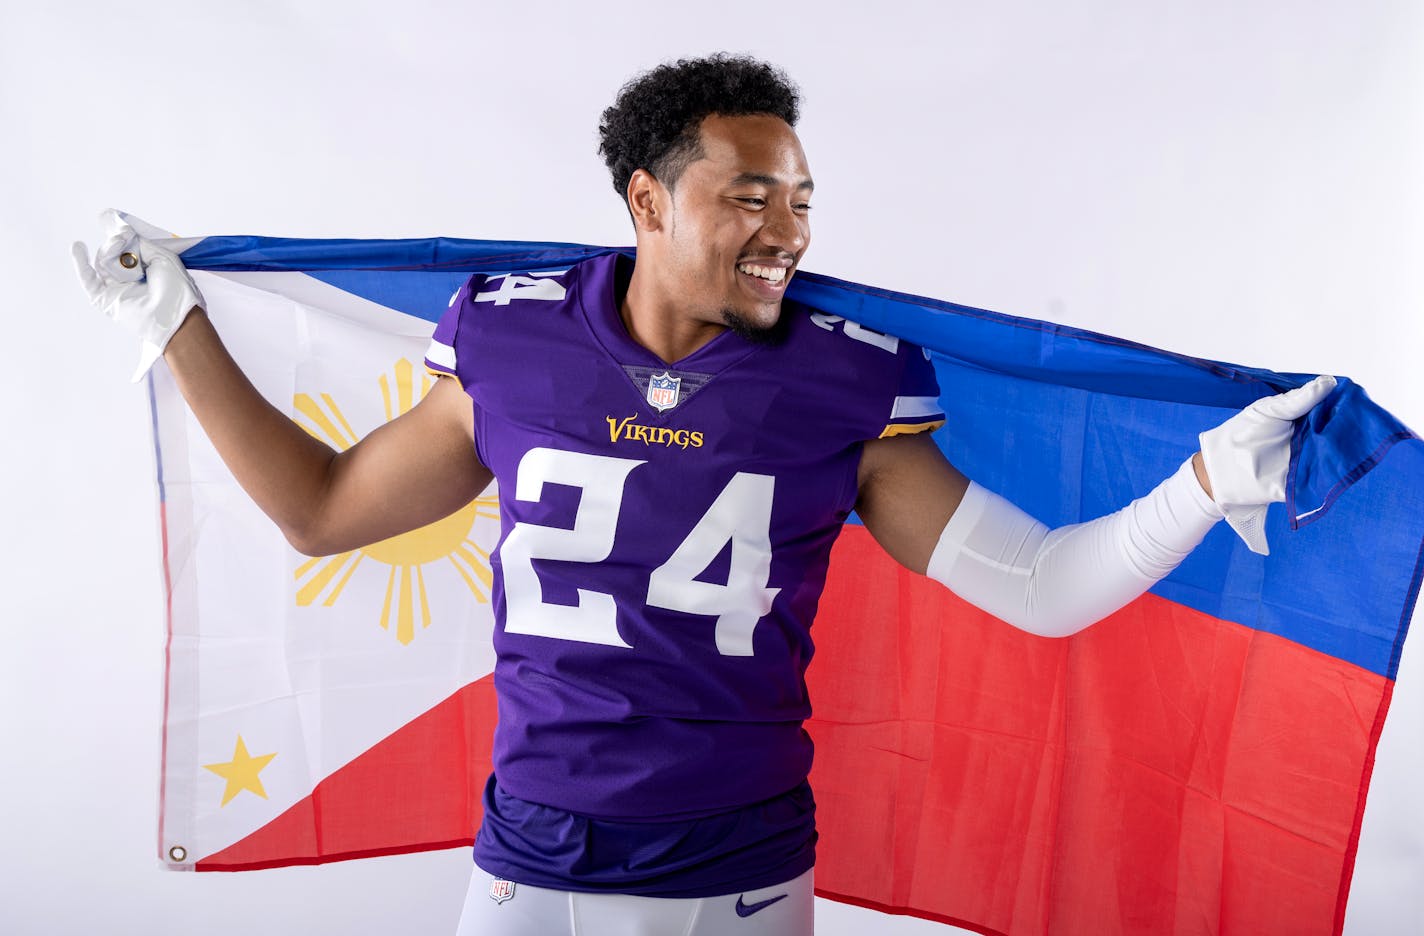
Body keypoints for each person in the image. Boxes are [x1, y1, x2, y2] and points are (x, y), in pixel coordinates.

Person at [73, 55, 1333, 936]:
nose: (785, 227)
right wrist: (171, 322)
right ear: (646, 201)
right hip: (529, 861)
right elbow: (324, 512)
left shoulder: (845, 383)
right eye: (747, 194)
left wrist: (1205, 481)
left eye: (798, 198)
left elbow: (1044, 590)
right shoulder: (513, 340)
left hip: (733, 874)